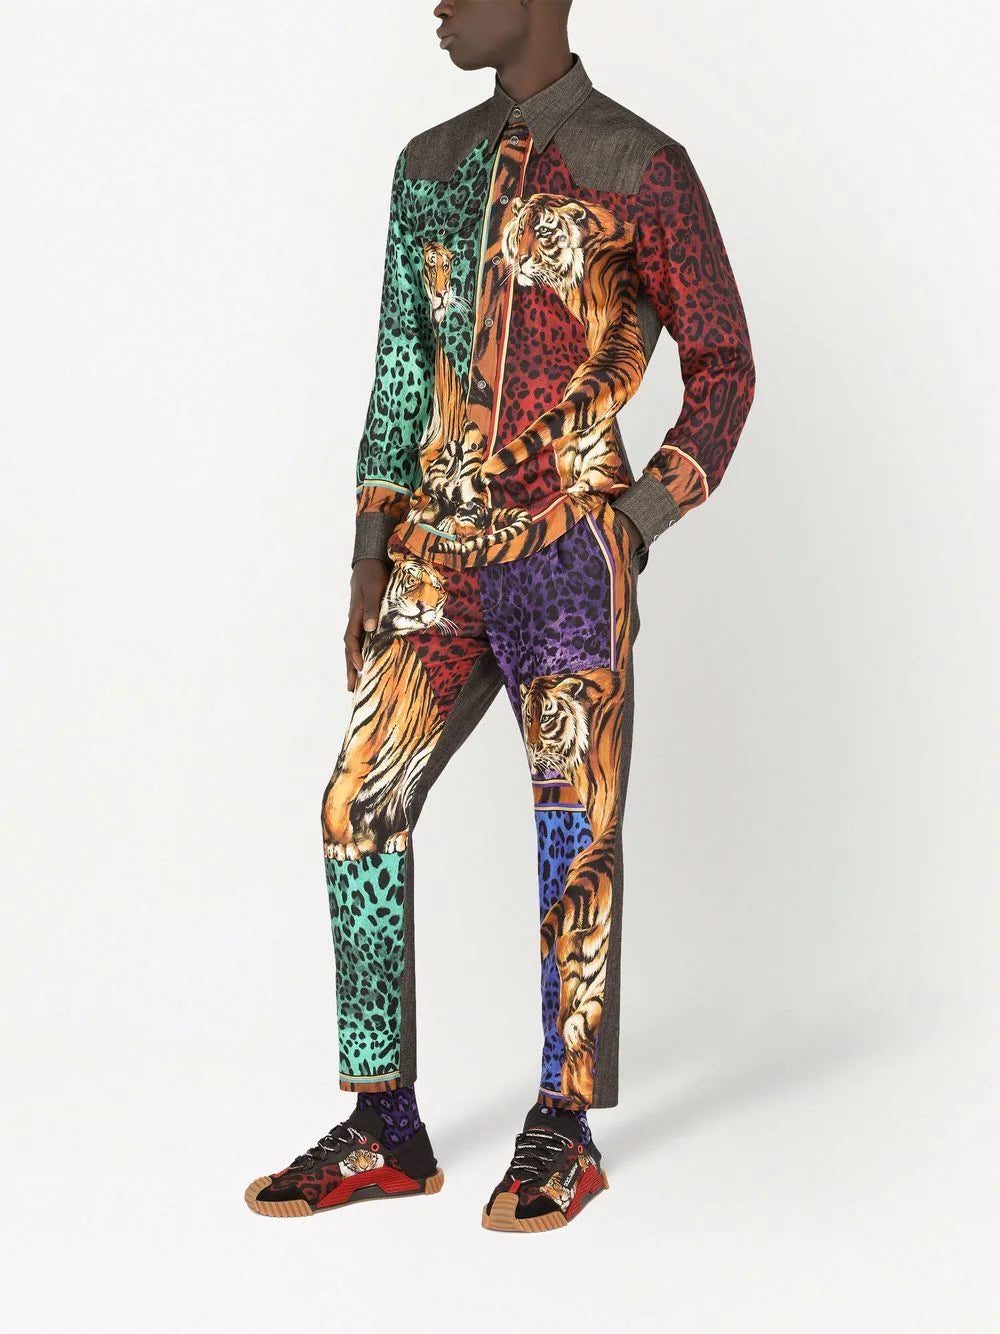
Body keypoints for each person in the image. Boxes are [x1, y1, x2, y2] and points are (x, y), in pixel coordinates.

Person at [245, 0, 754, 1232]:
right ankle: (386, 1125)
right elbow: (397, 370)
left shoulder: (639, 165)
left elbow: (725, 365)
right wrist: (368, 551)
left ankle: (563, 1128)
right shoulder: (426, 166)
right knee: (357, 806)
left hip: (569, 552)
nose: (436, 4)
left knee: (574, 831)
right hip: (437, 555)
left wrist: (636, 520)